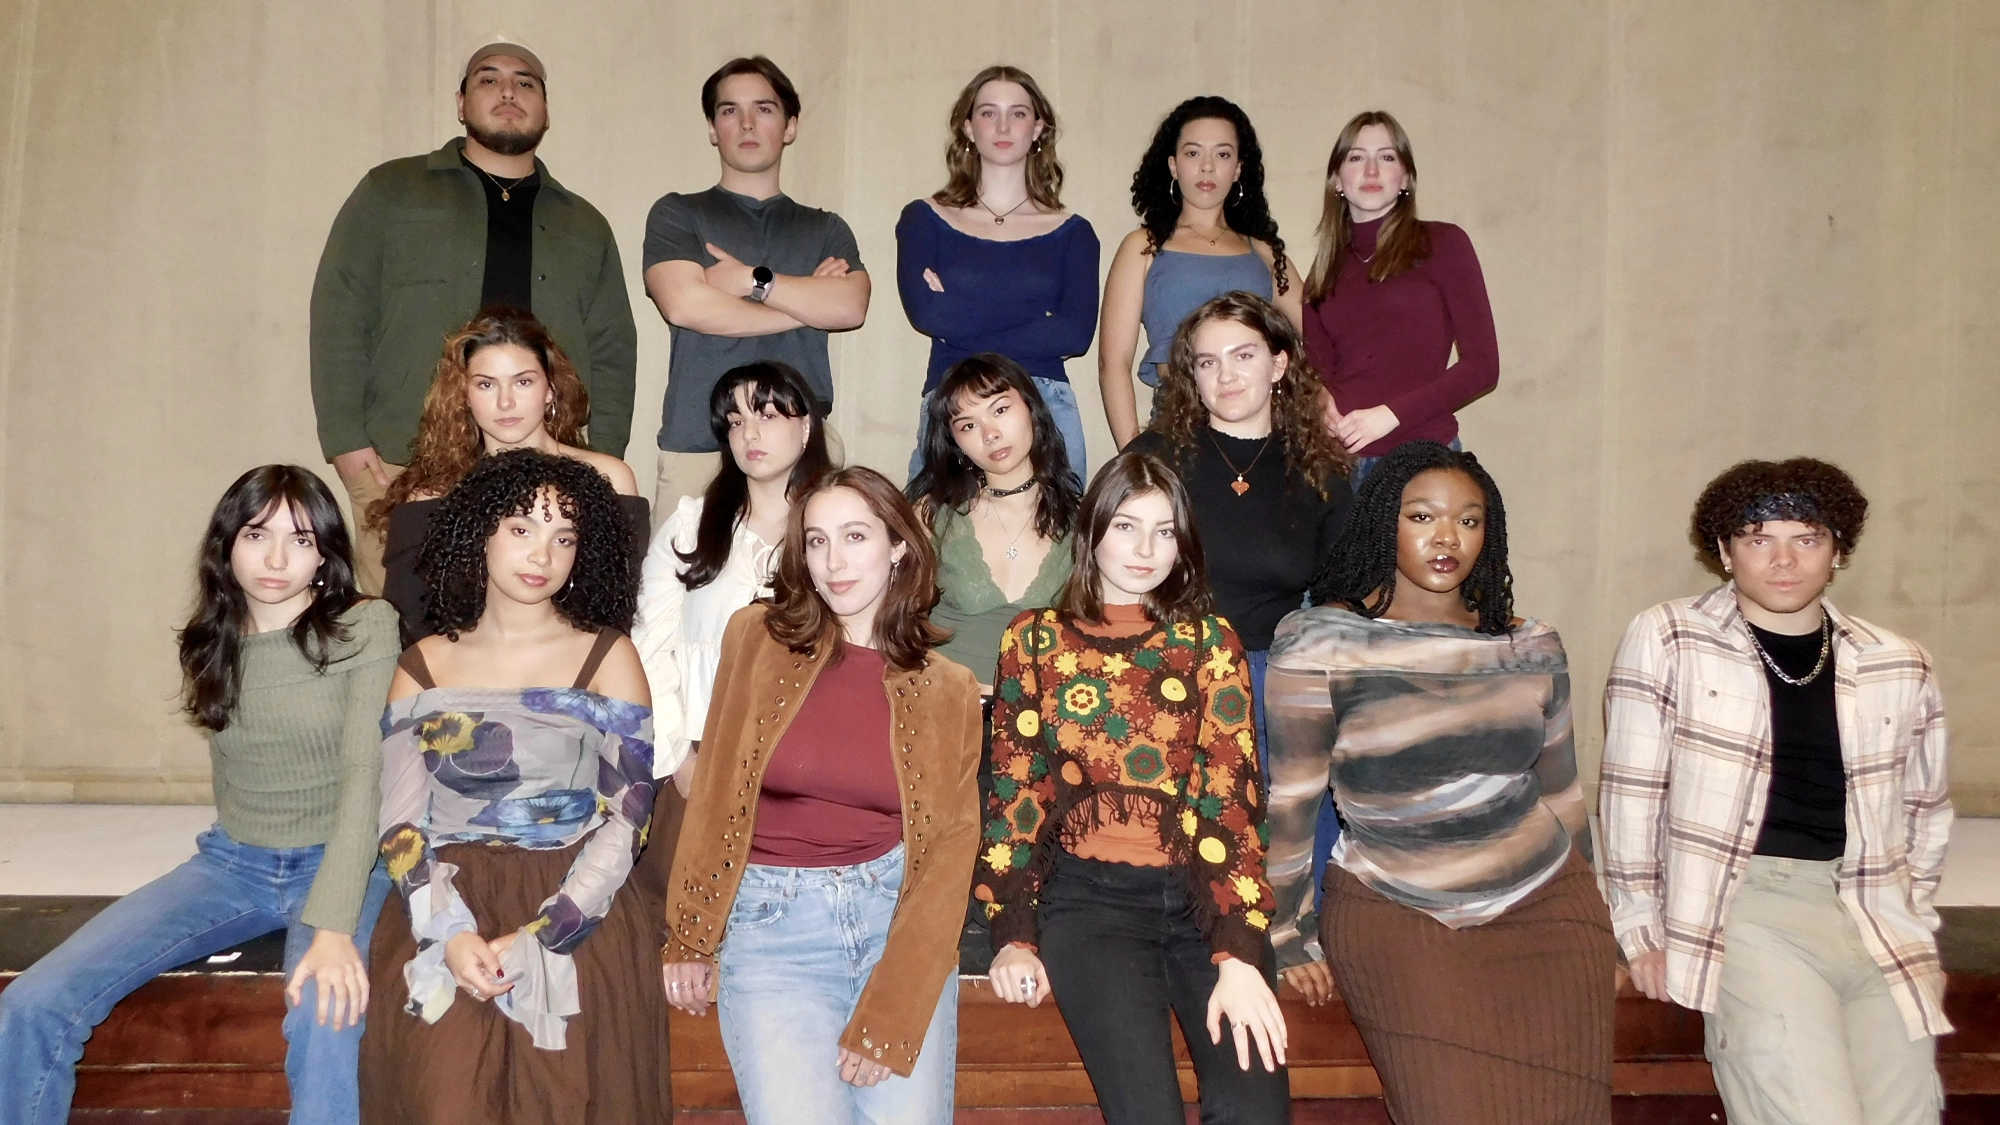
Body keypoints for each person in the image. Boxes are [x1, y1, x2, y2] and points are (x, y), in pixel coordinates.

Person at [0, 466, 398, 1125]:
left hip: (341, 862)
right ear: (227, 543)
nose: (275, 557)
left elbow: (366, 778)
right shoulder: (211, 639)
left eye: (300, 538)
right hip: (231, 864)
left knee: (325, 1020)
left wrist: (332, 926)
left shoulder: (366, 625)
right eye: (256, 533)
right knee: (32, 1002)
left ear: (325, 552)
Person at [1261, 440, 1614, 1124]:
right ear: (1384, 522)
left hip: (1549, 913)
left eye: (1470, 520)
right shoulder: (1320, 640)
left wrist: (1609, 923)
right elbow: (1293, 801)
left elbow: (1564, 795)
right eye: (1422, 516)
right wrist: (1283, 934)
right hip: (1403, 915)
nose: (1448, 536)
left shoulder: (1531, 644)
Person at [1601, 458, 1951, 1125]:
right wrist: (1641, 927)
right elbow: (1631, 794)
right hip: (1751, 906)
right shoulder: (1671, 635)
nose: (1784, 559)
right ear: (1726, 550)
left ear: (1837, 549)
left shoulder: (1899, 660)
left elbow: (1925, 808)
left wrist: (1918, 914)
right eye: (1759, 537)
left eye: (1808, 537)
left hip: (1875, 912)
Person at [976, 451, 1290, 1125]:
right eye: (1126, 526)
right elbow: (1015, 794)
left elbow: (1234, 803)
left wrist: (1238, 951)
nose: (1147, 549)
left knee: (1256, 1109)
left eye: (1165, 530)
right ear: (1092, 532)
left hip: (1201, 900)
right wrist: (1013, 929)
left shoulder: (1211, 641)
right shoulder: (1033, 640)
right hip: (1092, 905)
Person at [662, 467, 982, 1125]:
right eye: (816, 541)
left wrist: (893, 1010)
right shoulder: (754, 638)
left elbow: (950, 854)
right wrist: (690, 934)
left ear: (899, 546)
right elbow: (718, 784)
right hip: (773, 934)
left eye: (855, 536)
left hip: (894, 928)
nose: (833, 562)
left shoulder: (949, 686)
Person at [360, 450, 661, 1123]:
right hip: (447, 899)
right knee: (446, 1098)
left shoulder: (607, 653)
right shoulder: (423, 662)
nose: (543, 553)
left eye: (564, 536)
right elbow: (401, 825)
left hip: (577, 899)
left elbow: (629, 814)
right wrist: (450, 931)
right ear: (480, 531)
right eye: (522, 528)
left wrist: (546, 931)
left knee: (562, 1100)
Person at [312, 36, 637, 593]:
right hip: (400, 459)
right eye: (488, 79)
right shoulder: (392, 191)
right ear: (461, 102)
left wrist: (599, 454)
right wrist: (345, 438)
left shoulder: (585, 224)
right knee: (403, 629)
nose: (508, 90)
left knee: (535, 630)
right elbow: (340, 309)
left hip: (547, 472)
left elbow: (612, 347)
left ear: (546, 110)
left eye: (525, 82)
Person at [1129, 291, 1353, 958]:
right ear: (1190, 376)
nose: (1225, 375)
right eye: (1206, 361)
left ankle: (1293, 939)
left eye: (1244, 355)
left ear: (1280, 364)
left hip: (1272, 672)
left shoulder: (1322, 470)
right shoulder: (1156, 457)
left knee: (1307, 763)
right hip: (1166, 669)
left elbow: (1345, 599)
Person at [630, 361, 834, 916]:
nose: (750, 433)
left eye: (768, 414)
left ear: (807, 427)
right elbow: (649, 650)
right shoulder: (692, 524)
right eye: (736, 420)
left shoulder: (837, 526)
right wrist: (681, 762)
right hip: (701, 760)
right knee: (684, 939)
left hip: (809, 772)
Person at [643, 55, 869, 518]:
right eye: (729, 110)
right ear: (712, 128)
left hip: (804, 448)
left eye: (764, 109)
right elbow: (685, 305)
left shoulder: (825, 228)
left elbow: (850, 307)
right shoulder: (677, 213)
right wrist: (805, 301)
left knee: (805, 588)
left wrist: (752, 280)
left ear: (789, 126)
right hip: (699, 447)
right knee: (683, 586)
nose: (746, 123)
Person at [371, 309, 645, 646]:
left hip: (576, 670)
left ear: (550, 390)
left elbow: (621, 607)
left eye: (523, 381)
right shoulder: (430, 498)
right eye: (486, 384)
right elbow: (410, 628)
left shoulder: (608, 478)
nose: (505, 401)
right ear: (464, 396)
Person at [896, 65, 1100, 481]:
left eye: (1018, 113)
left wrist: (960, 311)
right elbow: (928, 315)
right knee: (937, 541)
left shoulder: (1073, 233)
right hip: (955, 405)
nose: (1003, 125)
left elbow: (1075, 335)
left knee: (1058, 543)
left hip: (1046, 404)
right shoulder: (924, 219)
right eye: (988, 113)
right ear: (969, 128)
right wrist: (1036, 322)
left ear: (1038, 127)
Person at [1301, 111, 1497, 481]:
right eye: (1356, 158)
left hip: (1419, 460)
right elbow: (1316, 374)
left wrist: (1388, 416)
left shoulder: (1443, 243)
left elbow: (1483, 366)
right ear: (1337, 180)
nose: (1371, 171)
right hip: (1339, 467)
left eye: (1387, 157)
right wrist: (1318, 400)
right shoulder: (1324, 270)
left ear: (1405, 177)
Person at [1098, 96, 1302, 450]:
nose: (1207, 167)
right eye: (1193, 153)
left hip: (1263, 432)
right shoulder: (1143, 247)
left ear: (1238, 168)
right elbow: (1112, 363)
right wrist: (1133, 452)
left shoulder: (1264, 252)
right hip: (1179, 429)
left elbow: (1320, 333)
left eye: (1222, 155)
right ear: (1174, 166)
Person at [906, 353, 1081, 691]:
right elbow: (894, 624)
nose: (990, 434)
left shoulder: (1086, 521)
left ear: (1031, 409)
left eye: (1000, 410)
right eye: (968, 425)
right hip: (942, 715)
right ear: (955, 442)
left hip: (1042, 724)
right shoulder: (932, 516)